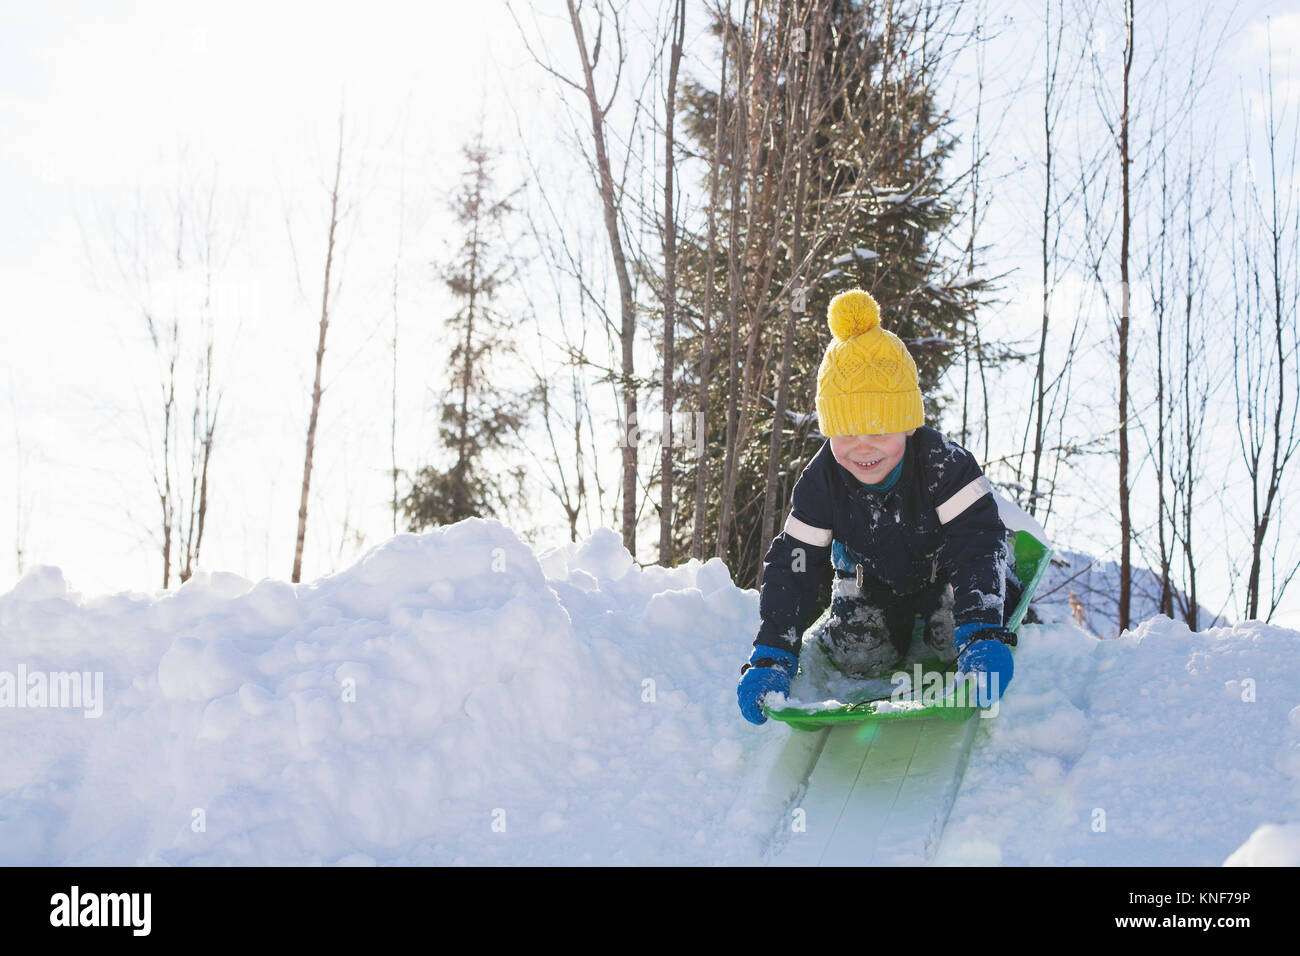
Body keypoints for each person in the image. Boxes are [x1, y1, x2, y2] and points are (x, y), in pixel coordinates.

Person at [736, 288, 1020, 725]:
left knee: (950, 641)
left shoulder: (945, 466)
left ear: (908, 425)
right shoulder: (821, 482)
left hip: (948, 568)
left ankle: (968, 614)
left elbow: (975, 544)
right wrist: (772, 653)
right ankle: (895, 625)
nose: (862, 448)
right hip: (874, 578)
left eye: (880, 430)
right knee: (858, 658)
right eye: (846, 434)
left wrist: (983, 631)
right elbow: (795, 566)